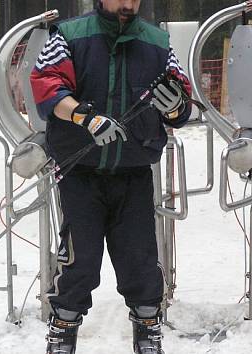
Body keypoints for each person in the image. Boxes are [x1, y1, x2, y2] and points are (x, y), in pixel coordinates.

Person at [30, 0, 192, 353]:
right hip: (81, 174)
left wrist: (175, 104)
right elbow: (47, 87)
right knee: (80, 261)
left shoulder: (158, 43)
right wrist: (85, 118)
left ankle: (149, 332)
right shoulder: (69, 36)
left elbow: (182, 101)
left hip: (133, 172)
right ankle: (62, 334)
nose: (129, 4)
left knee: (141, 260)